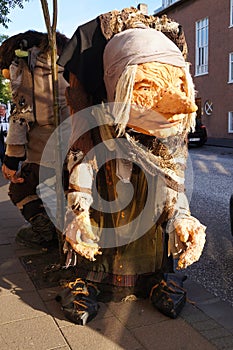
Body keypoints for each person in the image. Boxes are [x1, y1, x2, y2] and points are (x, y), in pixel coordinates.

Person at [56, 7, 206, 324]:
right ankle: (83, 280)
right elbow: (80, 180)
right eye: (147, 88)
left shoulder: (168, 136)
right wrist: (78, 216)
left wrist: (181, 218)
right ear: (118, 87)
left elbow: (172, 184)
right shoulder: (95, 130)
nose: (181, 106)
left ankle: (160, 278)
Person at [0, 30, 70, 250]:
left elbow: (21, 114)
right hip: (78, 143)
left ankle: (45, 231)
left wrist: (11, 161)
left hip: (46, 149)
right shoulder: (64, 58)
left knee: (19, 188)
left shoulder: (29, 65)